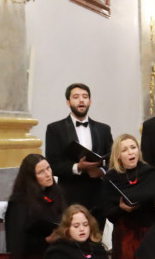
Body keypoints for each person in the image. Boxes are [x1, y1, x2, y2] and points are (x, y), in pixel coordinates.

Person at [43, 83, 114, 229]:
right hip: (70, 195)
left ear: (90, 101)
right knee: (73, 240)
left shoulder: (103, 129)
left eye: (85, 97)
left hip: (98, 195)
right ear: (68, 102)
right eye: (76, 97)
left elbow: (112, 159)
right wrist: (77, 167)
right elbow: (53, 164)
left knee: (96, 237)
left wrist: (102, 171)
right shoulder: (55, 129)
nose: (81, 100)